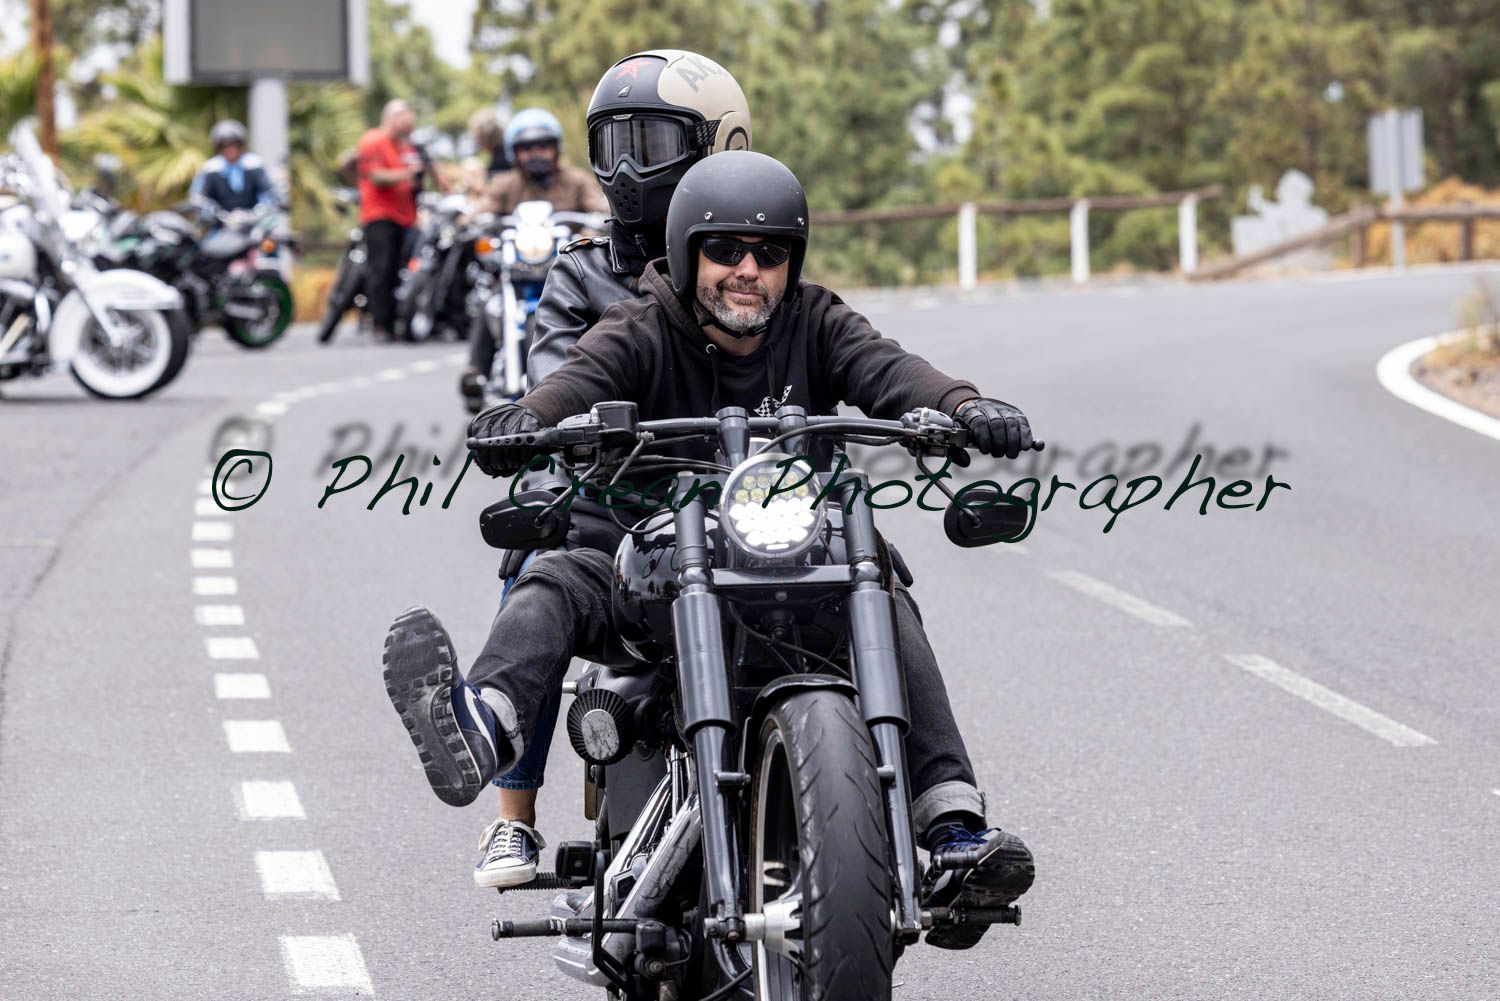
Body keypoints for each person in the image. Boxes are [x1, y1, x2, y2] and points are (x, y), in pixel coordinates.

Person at [384, 151, 1036, 950]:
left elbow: (890, 369)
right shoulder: (644, 322)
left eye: (769, 253)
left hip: (792, 569)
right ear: (689, 252)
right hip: (650, 565)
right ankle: (484, 723)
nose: (748, 270)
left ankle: (953, 825)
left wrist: (963, 406)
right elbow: (582, 376)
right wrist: (531, 417)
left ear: (792, 261)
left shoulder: (815, 319)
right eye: (725, 249)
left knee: (882, 586)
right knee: (550, 578)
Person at [456, 51, 755, 890]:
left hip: (737, 501)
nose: (626, 167)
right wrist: (552, 426)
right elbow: (556, 370)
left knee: (857, 563)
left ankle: (923, 805)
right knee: (533, 554)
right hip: (611, 498)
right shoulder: (583, 267)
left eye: (651, 142)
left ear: (720, 145)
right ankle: (513, 814)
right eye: (612, 143)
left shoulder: (753, 261)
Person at [356, 99, 422, 341]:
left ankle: (394, 323)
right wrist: (406, 174)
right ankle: (380, 324)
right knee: (381, 270)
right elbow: (375, 176)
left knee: (397, 271)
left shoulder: (405, 147)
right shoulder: (374, 140)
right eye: (405, 121)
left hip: (403, 218)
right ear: (392, 118)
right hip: (379, 216)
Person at [190, 120, 279, 217]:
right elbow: (198, 197)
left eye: (233, 144)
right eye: (223, 145)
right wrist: (214, 213)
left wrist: (256, 212)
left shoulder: (255, 165)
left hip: (254, 220)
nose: (229, 149)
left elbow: (269, 193)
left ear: (240, 145)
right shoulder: (210, 169)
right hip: (221, 222)